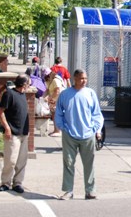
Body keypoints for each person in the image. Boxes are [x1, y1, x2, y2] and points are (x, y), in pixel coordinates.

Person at [54, 69, 104, 200]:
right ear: (75, 79)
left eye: (85, 78)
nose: (84, 81)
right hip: (70, 134)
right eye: (81, 78)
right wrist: (62, 127)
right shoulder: (65, 94)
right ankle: (68, 191)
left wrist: (96, 129)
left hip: (88, 134)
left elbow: (97, 114)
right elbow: (58, 112)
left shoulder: (91, 93)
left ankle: (90, 190)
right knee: (69, 163)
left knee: (89, 164)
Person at [0, 74, 30, 194]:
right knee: (10, 160)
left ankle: (18, 183)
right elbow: (0, 112)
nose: (29, 86)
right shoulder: (9, 94)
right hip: (13, 133)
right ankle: (5, 182)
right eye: (28, 83)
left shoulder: (23, 94)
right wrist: (7, 128)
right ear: (24, 84)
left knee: (21, 161)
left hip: (24, 133)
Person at [45, 67, 66, 137]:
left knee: (56, 115)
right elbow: (48, 90)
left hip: (57, 100)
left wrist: (50, 98)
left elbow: (57, 91)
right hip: (55, 100)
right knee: (54, 114)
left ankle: (57, 130)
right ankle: (55, 130)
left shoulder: (55, 80)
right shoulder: (51, 80)